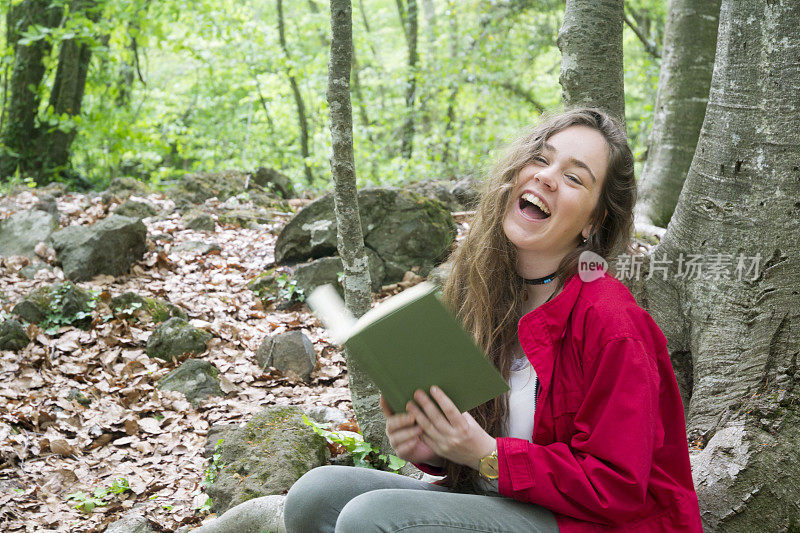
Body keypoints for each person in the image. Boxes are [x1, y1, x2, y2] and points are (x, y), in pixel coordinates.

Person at [283, 108, 703, 532]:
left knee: (368, 520)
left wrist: (486, 455)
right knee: (315, 496)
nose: (546, 176)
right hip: (507, 504)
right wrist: (432, 446)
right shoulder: (485, 289)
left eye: (575, 177)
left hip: (592, 524)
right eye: (540, 158)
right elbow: (484, 448)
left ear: (595, 221)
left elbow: (617, 488)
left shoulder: (612, 320)